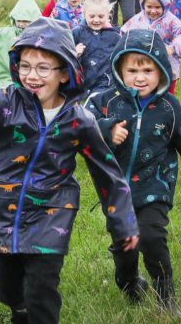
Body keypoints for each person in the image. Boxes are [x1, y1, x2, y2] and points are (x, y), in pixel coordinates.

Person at [0, 17, 139, 324]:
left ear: (64, 73)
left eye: (43, 67)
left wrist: (124, 223)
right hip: (1, 208)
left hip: (52, 211)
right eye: (25, 66)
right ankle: (18, 309)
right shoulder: (3, 103)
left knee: (42, 287)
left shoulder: (79, 120)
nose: (31, 75)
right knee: (9, 289)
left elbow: (108, 176)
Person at [85, 29, 180, 315]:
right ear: (118, 69)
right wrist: (104, 129)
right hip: (113, 188)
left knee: (151, 235)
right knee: (125, 243)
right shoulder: (105, 101)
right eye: (133, 70)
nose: (141, 77)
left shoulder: (170, 108)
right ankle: (128, 282)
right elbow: (79, 125)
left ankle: (166, 297)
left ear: (161, 69)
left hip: (155, 184)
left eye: (149, 69)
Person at [122, 0, 181, 94]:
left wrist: (171, 48)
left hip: (167, 65)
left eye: (158, 7)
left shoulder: (172, 21)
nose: (153, 11)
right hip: (143, 66)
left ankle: (168, 110)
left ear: (166, 5)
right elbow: (124, 34)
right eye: (149, 7)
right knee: (145, 92)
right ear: (143, 4)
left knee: (167, 93)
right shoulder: (138, 19)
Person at [73, 0, 121, 98]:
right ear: (84, 14)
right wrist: (74, 52)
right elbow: (63, 52)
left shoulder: (114, 36)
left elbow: (122, 56)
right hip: (81, 82)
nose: (96, 20)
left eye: (101, 16)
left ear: (108, 15)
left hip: (104, 83)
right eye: (92, 16)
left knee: (97, 106)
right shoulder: (77, 33)